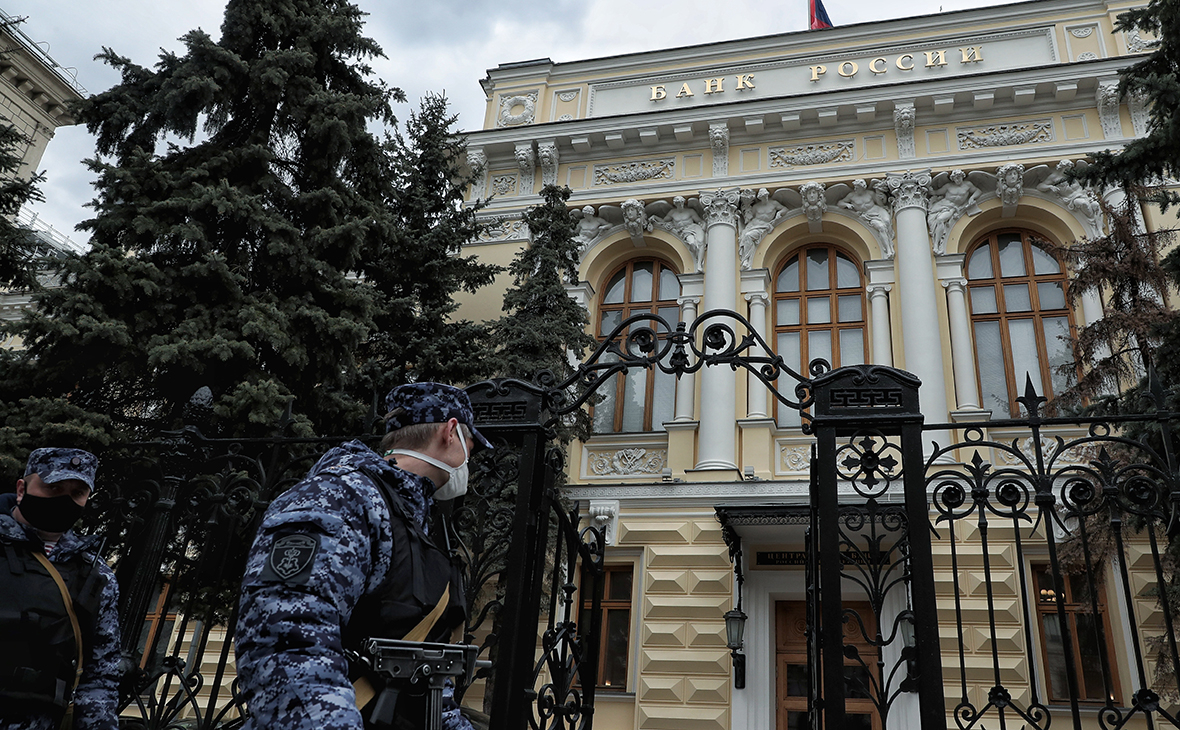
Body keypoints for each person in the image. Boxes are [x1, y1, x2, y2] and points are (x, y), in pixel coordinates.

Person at [235, 383, 492, 730]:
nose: (470, 457)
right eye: (471, 443)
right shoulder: (339, 497)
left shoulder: (415, 522)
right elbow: (287, 644)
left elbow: (424, 677)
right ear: (450, 432)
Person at [0, 448, 121, 730]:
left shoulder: (96, 575)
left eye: (77, 493)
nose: (64, 500)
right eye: (53, 487)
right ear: (22, 489)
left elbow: (100, 675)